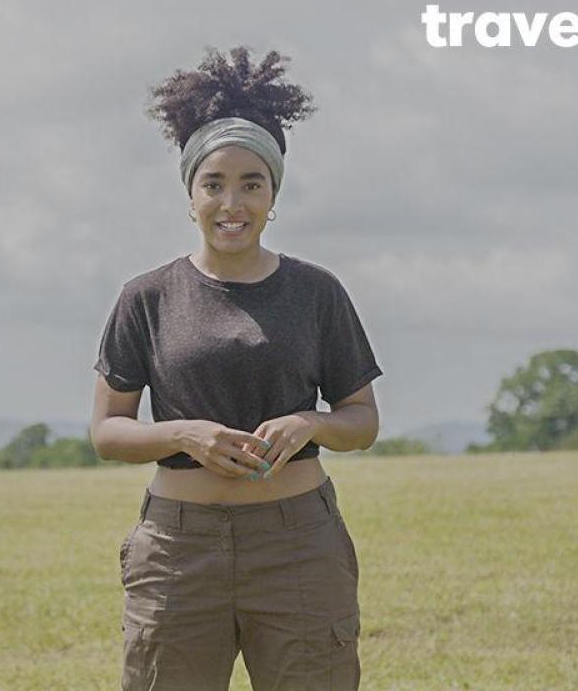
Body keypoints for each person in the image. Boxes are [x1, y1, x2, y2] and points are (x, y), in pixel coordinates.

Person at [89, 46, 383, 691]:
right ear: (190, 192)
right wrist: (183, 435)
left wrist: (310, 422)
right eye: (214, 184)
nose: (233, 202)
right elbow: (108, 432)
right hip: (177, 549)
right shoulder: (146, 297)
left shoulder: (316, 291)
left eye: (252, 183)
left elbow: (361, 422)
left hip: (298, 543)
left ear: (273, 193)